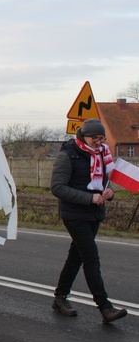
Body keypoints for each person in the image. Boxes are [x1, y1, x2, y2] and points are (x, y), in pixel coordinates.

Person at [50, 118, 127, 324]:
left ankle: (60, 297)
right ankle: (105, 308)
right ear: (84, 136)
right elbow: (57, 187)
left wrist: (108, 193)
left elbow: (101, 183)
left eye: (102, 138)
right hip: (74, 214)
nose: (99, 142)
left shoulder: (102, 155)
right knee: (91, 258)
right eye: (95, 138)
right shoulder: (68, 155)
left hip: (93, 213)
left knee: (76, 256)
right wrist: (89, 197)